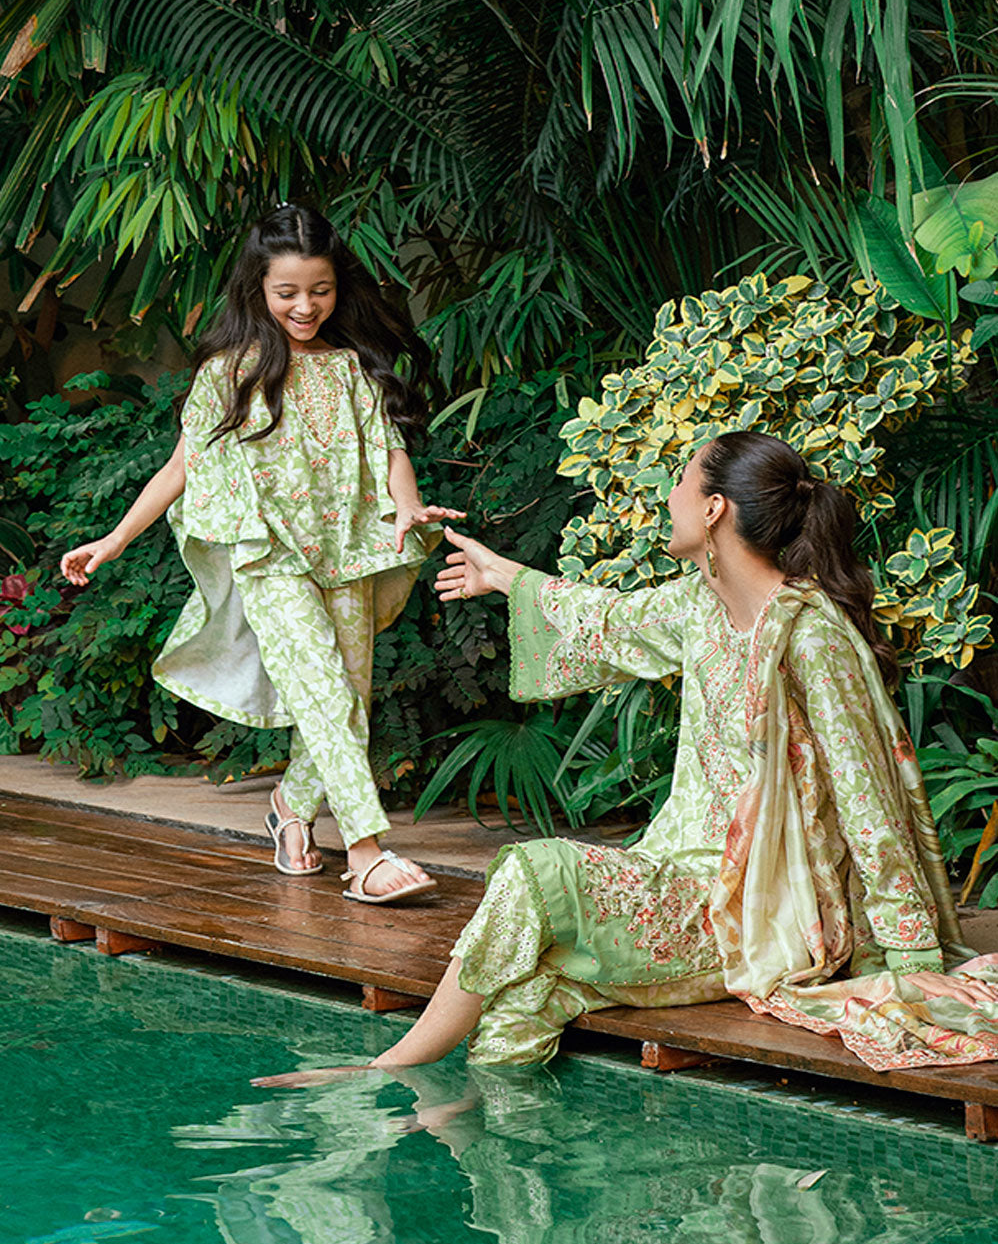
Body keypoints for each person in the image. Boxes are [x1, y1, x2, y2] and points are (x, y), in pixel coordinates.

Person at [254, 429, 998, 1083]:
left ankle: (392, 1068)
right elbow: (608, 620)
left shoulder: (809, 636)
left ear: (715, 510)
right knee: (527, 996)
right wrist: (500, 574)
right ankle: (469, 1126)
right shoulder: (699, 605)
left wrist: (911, 962)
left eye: (681, 482)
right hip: (682, 872)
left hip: (774, 917)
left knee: (536, 870)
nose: (669, 498)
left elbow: (869, 806)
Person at [61, 205, 464, 903]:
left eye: (320, 290)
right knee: (325, 692)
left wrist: (407, 507)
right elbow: (181, 467)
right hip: (270, 557)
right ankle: (366, 852)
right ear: (258, 289)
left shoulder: (352, 368)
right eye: (287, 293)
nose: (306, 306)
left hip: (348, 551)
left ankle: (289, 807)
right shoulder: (229, 373)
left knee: (348, 701)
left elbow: (391, 452)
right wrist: (114, 539)